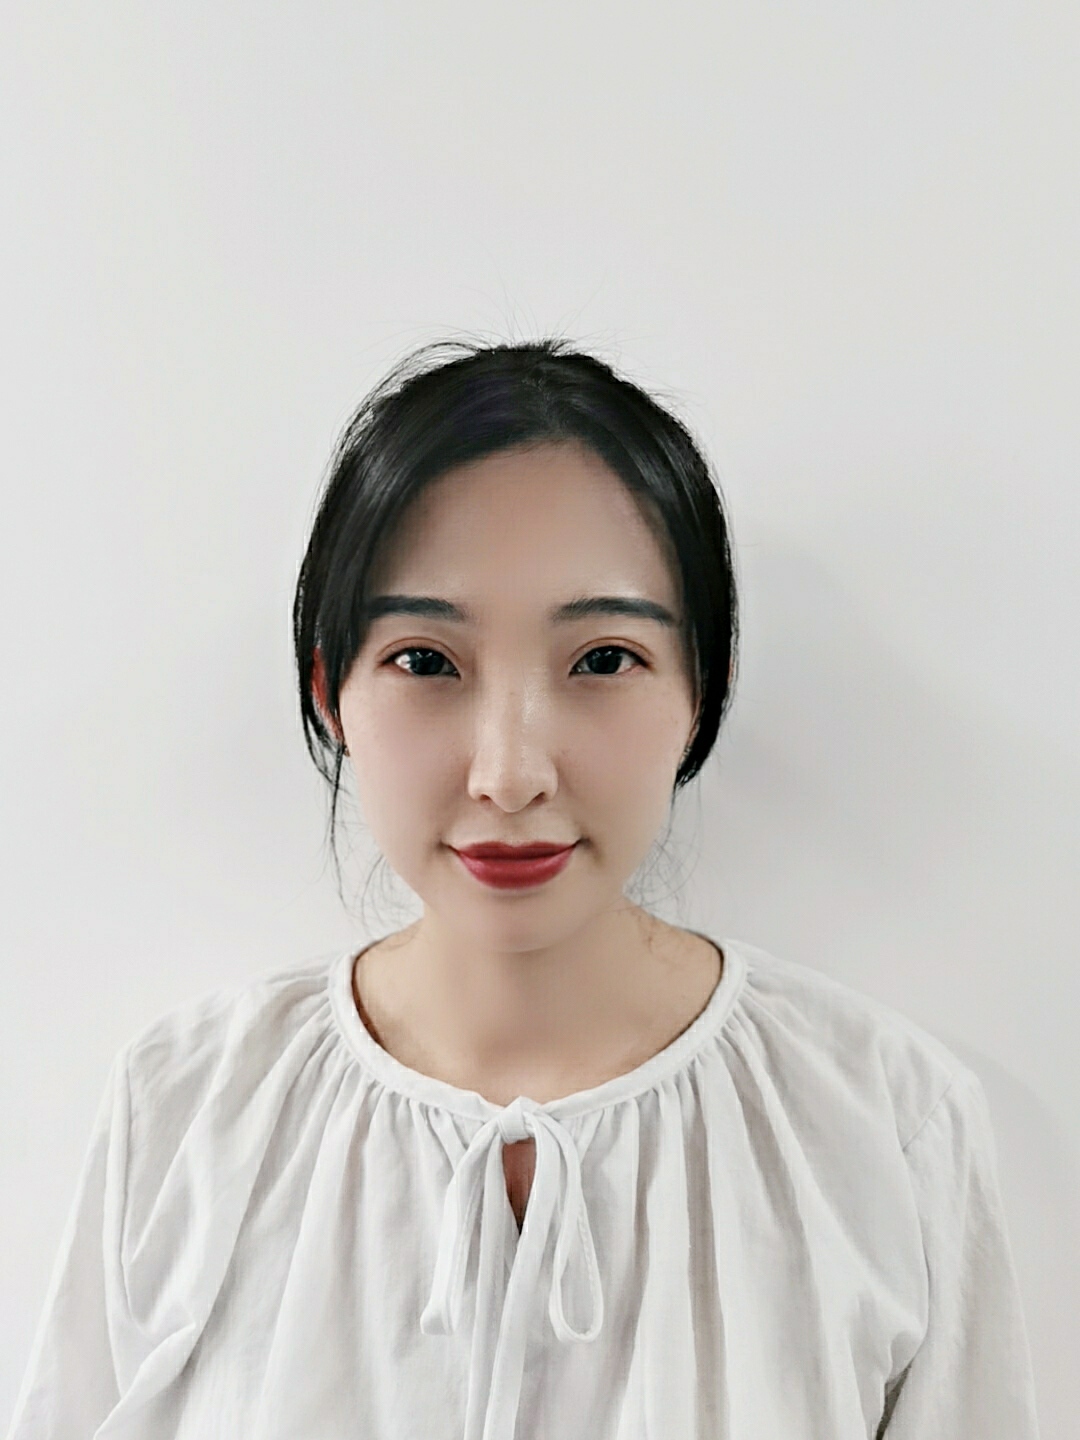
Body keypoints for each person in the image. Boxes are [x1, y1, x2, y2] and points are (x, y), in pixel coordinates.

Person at [8, 339, 1040, 1439]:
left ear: (703, 689)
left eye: (603, 660)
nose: (509, 775)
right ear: (330, 690)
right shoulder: (187, 1113)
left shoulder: (883, 1128)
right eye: (425, 660)